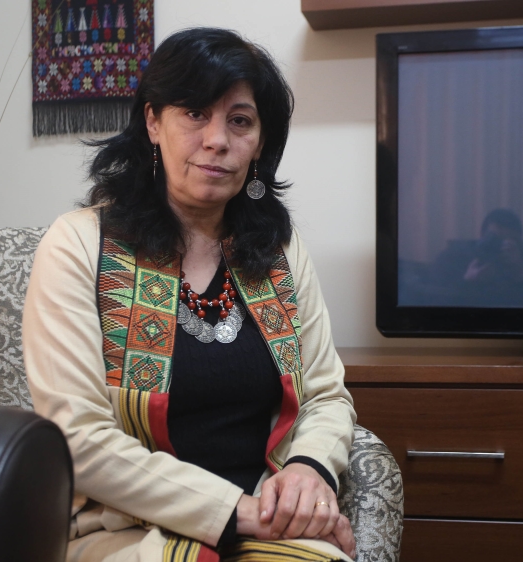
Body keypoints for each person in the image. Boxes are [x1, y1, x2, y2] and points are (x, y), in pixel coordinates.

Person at [22, 28, 358, 562]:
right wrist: (240, 512)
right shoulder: (79, 244)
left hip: (268, 520)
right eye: (195, 113)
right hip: (125, 529)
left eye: (240, 121)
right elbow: (76, 436)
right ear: (153, 122)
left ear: (260, 143)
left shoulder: (278, 251)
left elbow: (325, 396)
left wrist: (307, 469)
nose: (218, 139)